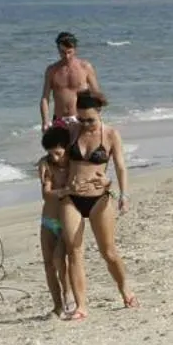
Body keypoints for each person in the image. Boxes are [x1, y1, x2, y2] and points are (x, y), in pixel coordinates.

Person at [58, 89, 136, 319]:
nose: (86, 124)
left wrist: (122, 193)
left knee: (108, 251)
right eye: (81, 119)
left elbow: (121, 166)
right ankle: (81, 306)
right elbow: (51, 149)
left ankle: (124, 288)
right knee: (74, 251)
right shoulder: (71, 130)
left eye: (90, 119)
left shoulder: (111, 134)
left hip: (99, 199)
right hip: (71, 199)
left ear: (100, 112)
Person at [36, 125, 74, 320]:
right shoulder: (47, 165)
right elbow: (46, 194)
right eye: (50, 154)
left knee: (60, 259)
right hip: (48, 220)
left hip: (67, 220)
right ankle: (57, 305)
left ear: (66, 148)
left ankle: (68, 295)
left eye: (58, 153)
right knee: (49, 264)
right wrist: (64, 191)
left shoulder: (75, 165)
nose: (55, 157)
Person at [40, 31, 99, 134]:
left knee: (80, 150)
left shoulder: (85, 67)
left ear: (75, 49)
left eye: (69, 52)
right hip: (59, 120)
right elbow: (45, 98)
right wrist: (45, 121)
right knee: (57, 150)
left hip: (81, 119)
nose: (66, 56)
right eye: (62, 52)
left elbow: (96, 94)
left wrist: (94, 117)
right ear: (58, 49)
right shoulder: (51, 70)